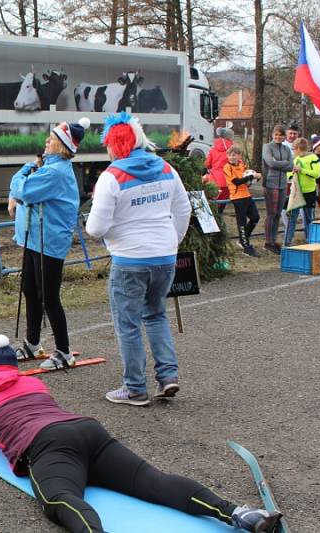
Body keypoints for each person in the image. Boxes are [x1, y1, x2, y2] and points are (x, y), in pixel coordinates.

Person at [0, 335, 283, 533]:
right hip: (88, 432)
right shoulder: (34, 382)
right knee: (156, 482)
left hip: (46, 446)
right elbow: (9, 387)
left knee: (60, 501)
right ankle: (238, 513)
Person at [86, 112, 191, 406]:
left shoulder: (111, 177)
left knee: (128, 324)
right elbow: (183, 209)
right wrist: (172, 240)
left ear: (115, 144)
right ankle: (168, 376)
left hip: (130, 260)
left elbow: (95, 228)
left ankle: (134, 388)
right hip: (164, 256)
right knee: (156, 315)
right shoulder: (167, 168)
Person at [8, 118, 89, 370]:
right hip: (34, 239)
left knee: (49, 297)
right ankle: (33, 343)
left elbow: (23, 191)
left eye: (51, 139)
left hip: (50, 241)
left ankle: (64, 351)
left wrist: (24, 170)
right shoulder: (48, 167)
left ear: (62, 146)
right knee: (30, 290)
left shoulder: (54, 171)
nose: (46, 141)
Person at [224, 144, 262, 257]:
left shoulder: (242, 165)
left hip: (247, 195)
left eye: (235, 155)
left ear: (239, 156)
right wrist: (252, 177)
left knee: (256, 217)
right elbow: (236, 182)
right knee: (242, 223)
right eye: (230, 155)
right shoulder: (227, 167)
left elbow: (248, 178)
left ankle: (243, 240)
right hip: (237, 198)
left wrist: (257, 176)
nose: (232, 157)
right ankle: (246, 247)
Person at [284, 138, 320, 247]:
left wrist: (302, 170)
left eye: (294, 149)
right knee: (292, 218)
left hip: (309, 192)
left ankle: (310, 241)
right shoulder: (294, 159)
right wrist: (291, 174)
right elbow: (288, 174)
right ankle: (287, 242)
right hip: (296, 193)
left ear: (298, 148)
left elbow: (317, 174)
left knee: (308, 218)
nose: (293, 152)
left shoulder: (313, 158)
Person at [261, 124, 292, 254]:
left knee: (278, 213)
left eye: (281, 135)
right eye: (276, 135)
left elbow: (291, 165)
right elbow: (270, 163)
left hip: (283, 184)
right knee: (271, 213)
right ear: (273, 135)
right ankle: (268, 242)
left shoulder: (286, 149)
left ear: (284, 136)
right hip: (270, 183)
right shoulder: (267, 147)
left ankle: (274, 240)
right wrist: (284, 163)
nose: (278, 137)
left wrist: (283, 164)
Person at [204, 127, 234, 214]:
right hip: (227, 180)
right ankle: (219, 217)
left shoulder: (213, 149)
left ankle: (215, 220)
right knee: (222, 204)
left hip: (213, 180)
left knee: (213, 204)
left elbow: (207, 164)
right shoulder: (232, 150)